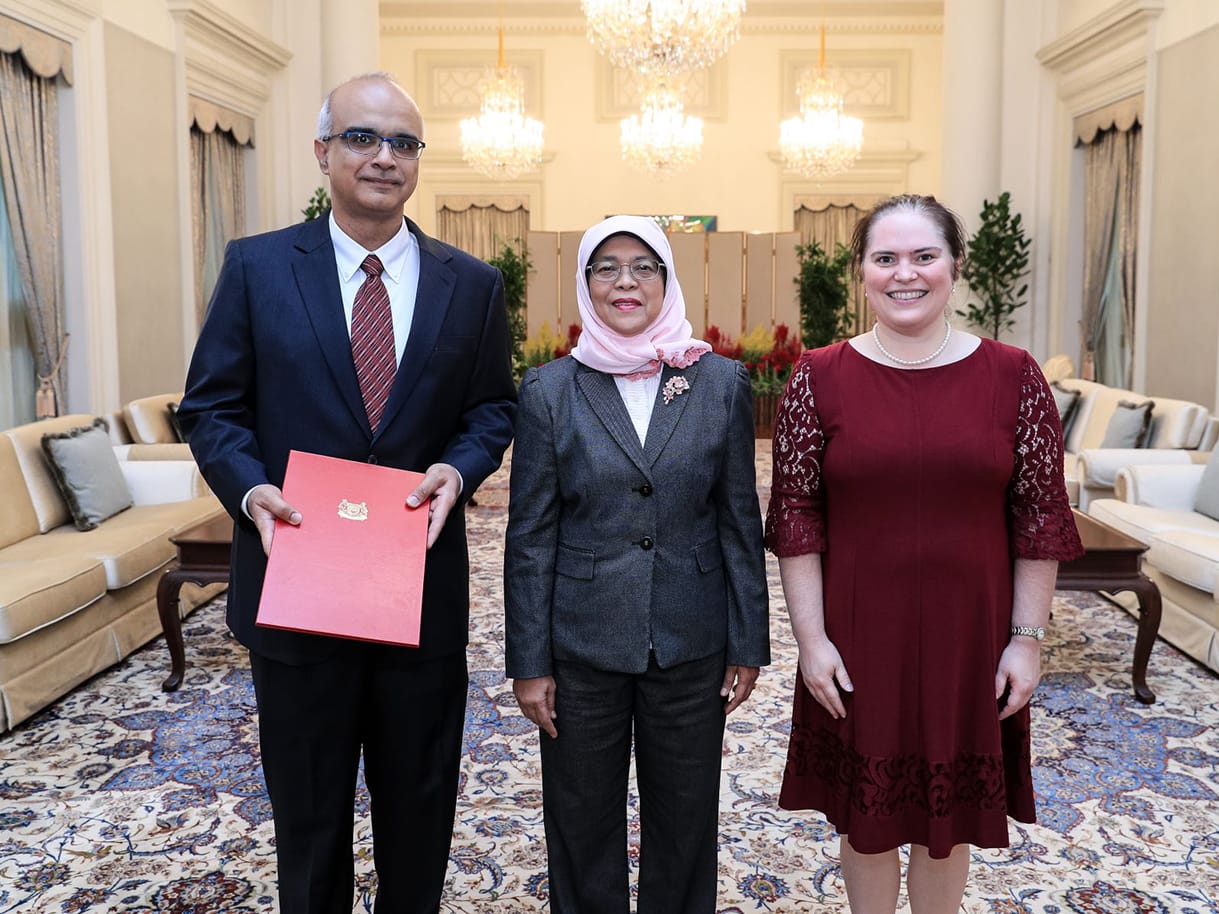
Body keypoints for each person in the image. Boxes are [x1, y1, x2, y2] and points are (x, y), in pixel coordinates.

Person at [178, 72, 517, 914]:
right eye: (364, 138)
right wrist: (251, 491)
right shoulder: (256, 268)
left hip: (417, 590)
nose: (384, 158)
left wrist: (461, 469)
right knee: (309, 811)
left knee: (420, 802)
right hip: (297, 586)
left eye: (403, 143)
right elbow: (211, 407)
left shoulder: (470, 285)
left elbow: (491, 407)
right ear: (324, 150)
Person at [764, 194, 1083, 914]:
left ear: (955, 264)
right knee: (867, 820)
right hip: (857, 635)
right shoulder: (817, 377)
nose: (904, 274)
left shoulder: (1014, 375)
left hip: (970, 638)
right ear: (862, 272)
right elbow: (796, 517)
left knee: (950, 825)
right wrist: (810, 641)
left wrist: (1027, 642)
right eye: (885, 258)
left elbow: (1039, 518)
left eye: (923, 256)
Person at [504, 215, 770, 914]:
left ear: (667, 281)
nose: (626, 282)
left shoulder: (720, 383)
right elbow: (530, 537)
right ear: (585, 284)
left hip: (692, 639)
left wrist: (748, 642)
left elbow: (740, 520)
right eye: (607, 267)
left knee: (684, 821)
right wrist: (529, 661)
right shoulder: (549, 390)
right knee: (581, 818)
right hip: (580, 644)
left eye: (643, 267)